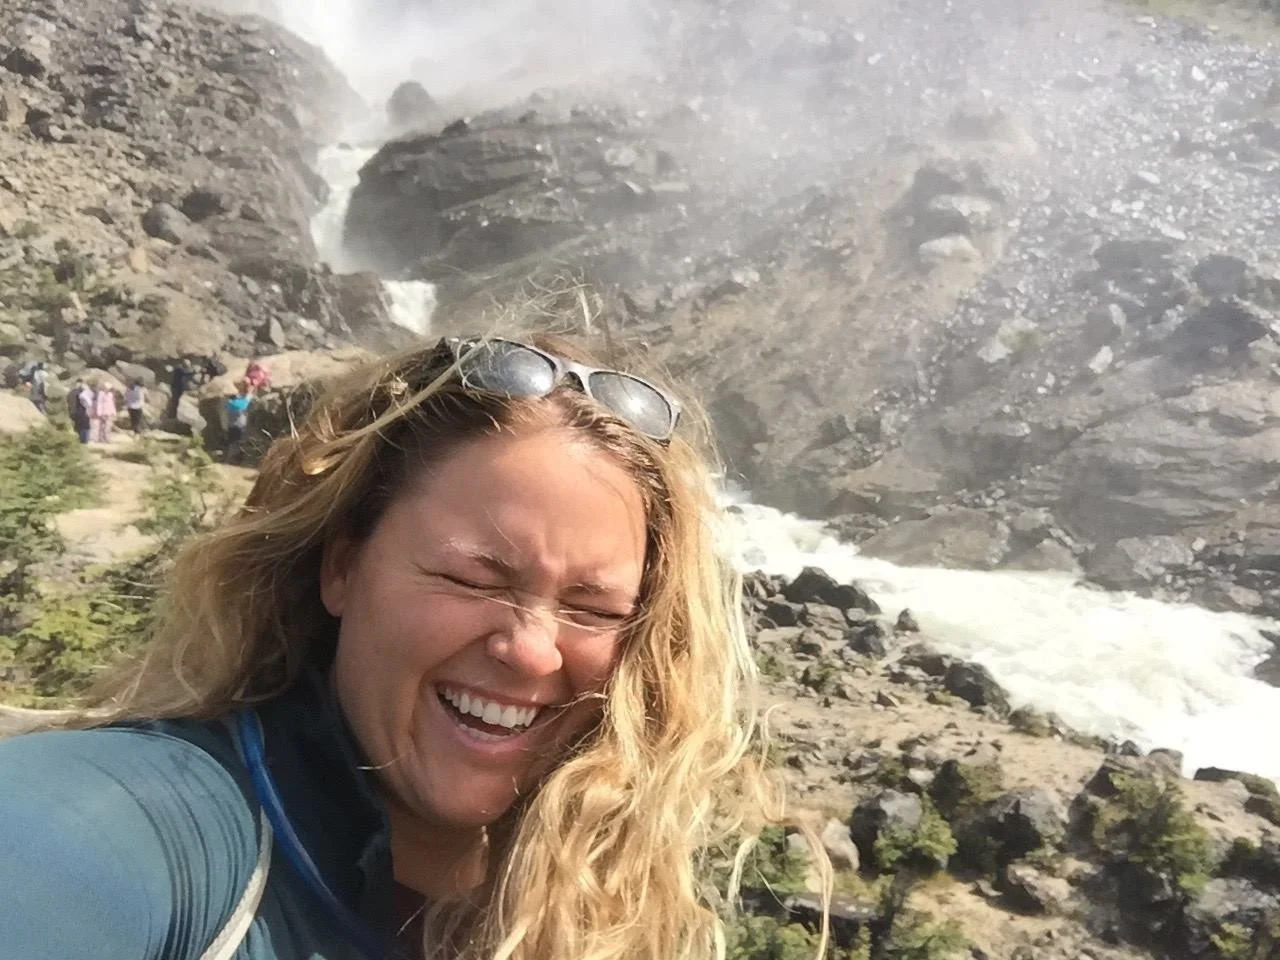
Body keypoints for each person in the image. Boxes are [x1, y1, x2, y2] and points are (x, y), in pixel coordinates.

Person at [0, 331, 818, 960]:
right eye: (473, 580)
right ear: (343, 566)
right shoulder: (152, 830)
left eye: (593, 607)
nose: (531, 650)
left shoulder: (579, 909)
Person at [223, 384, 252, 463]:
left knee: (232, 444)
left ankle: (231, 459)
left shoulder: (229, 403)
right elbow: (245, 403)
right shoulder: (236, 404)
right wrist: (250, 393)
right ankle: (230, 460)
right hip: (238, 427)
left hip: (231, 426)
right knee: (235, 444)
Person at [67, 379, 92, 444]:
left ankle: (77, 440)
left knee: (76, 427)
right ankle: (83, 441)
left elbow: (68, 402)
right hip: (81, 412)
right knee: (83, 427)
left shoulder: (70, 393)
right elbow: (88, 403)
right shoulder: (82, 393)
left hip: (72, 412)